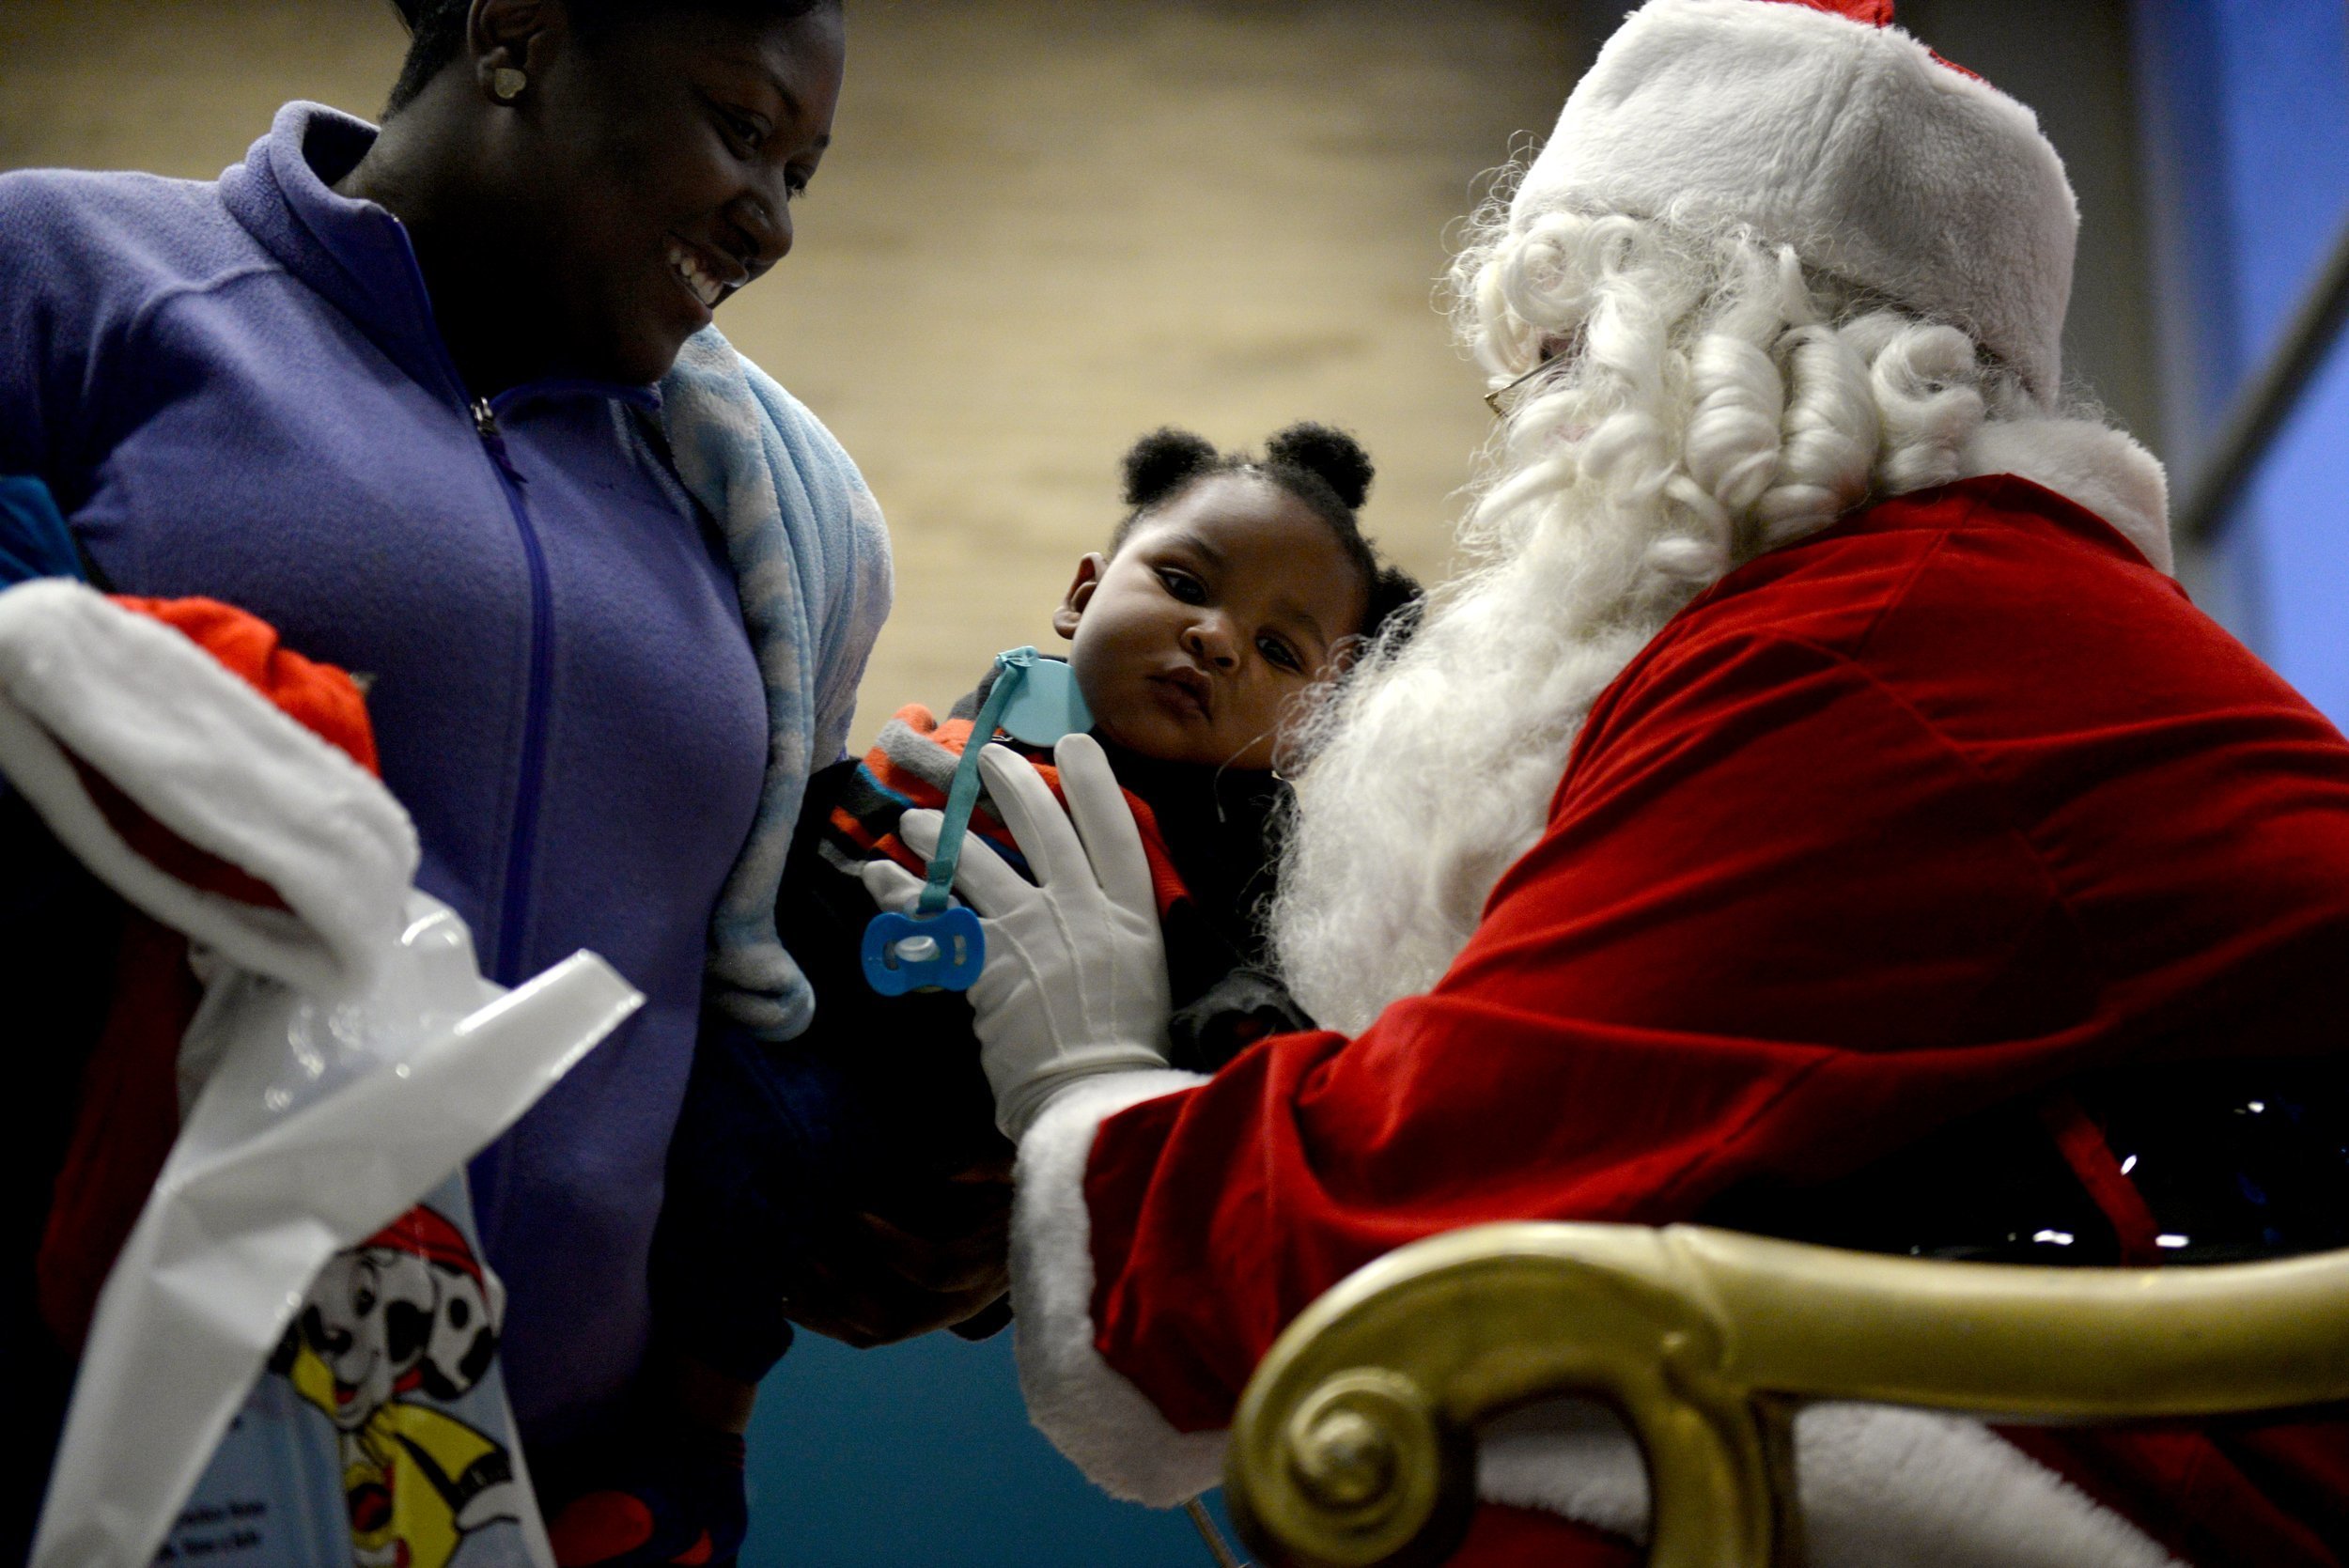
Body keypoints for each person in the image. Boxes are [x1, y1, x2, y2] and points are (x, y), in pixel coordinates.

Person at [872, 1, 2349, 1562]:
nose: (1531, 443)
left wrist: (1084, 1080)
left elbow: (1430, 1175)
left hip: (2242, 1463)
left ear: (1704, 361)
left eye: (1561, 362)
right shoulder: (1953, 607)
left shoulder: (1867, 649)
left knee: (1531, 1445)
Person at [0, 0, 898, 1550]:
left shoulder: (764, 515)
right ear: (519, 35)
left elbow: (749, 1010)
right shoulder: (77, 279)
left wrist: (895, 1200)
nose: (771, 217)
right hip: (88, 1435)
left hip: (555, 1492)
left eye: (803, 174)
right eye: (742, 129)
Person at [646, 422, 1421, 1452]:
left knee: (742, 1155)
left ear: (1315, 725)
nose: (1217, 637)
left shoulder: (1239, 846)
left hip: (918, 1125)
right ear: (1083, 590)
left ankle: (685, 1447)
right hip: (775, 1002)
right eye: (1185, 583)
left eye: (1279, 649)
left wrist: (1234, 1019)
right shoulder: (987, 723)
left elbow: (1236, 982)